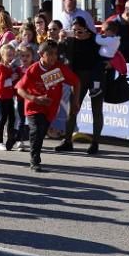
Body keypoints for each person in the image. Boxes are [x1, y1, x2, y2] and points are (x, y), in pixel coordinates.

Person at [16, 40, 80, 172]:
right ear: (40, 54)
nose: (53, 57)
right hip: (33, 107)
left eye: (55, 54)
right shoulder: (33, 69)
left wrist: (75, 102)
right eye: (50, 54)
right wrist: (35, 99)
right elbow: (20, 89)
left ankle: (35, 155)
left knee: (41, 133)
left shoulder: (58, 68)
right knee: (36, 130)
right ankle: (35, 160)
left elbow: (76, 82)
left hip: (50, 110)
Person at [58, 17, 105, 155]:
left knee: (96, 110)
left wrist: (108, 64)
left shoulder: (96, 39)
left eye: (80, 30)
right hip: (78, 77)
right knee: (73, 108)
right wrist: (61, 40)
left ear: (86, 29)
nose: (77, 33)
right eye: (74, 30)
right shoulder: (70, 40)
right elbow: (59, 54)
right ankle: (67, 141)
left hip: (96, 77)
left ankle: (95, 143)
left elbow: (110, 52)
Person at [0, 44, 18, 151]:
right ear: (2, 56)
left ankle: (10, 139)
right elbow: (1, 84)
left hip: (9, 96)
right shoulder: (0, 68)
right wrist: (11, 78)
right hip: (2, 96)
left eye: (12, 55)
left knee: (12, 118)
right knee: (3, 118)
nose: (11, 58)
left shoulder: (9, 67)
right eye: (8, 55)